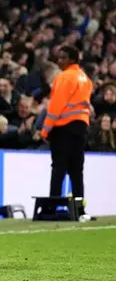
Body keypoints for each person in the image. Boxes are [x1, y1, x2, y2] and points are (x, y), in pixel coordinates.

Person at [40, 45, 92, 219]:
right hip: (80, 127)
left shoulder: (64, 77)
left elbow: (56, 106)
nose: (59, 61)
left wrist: (45, 130)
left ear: (72, 59)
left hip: (63, 127)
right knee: (76, 171)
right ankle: (79, 210)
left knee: (59, 169)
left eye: (63, 57)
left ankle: (52, 208)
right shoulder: (85, 78)